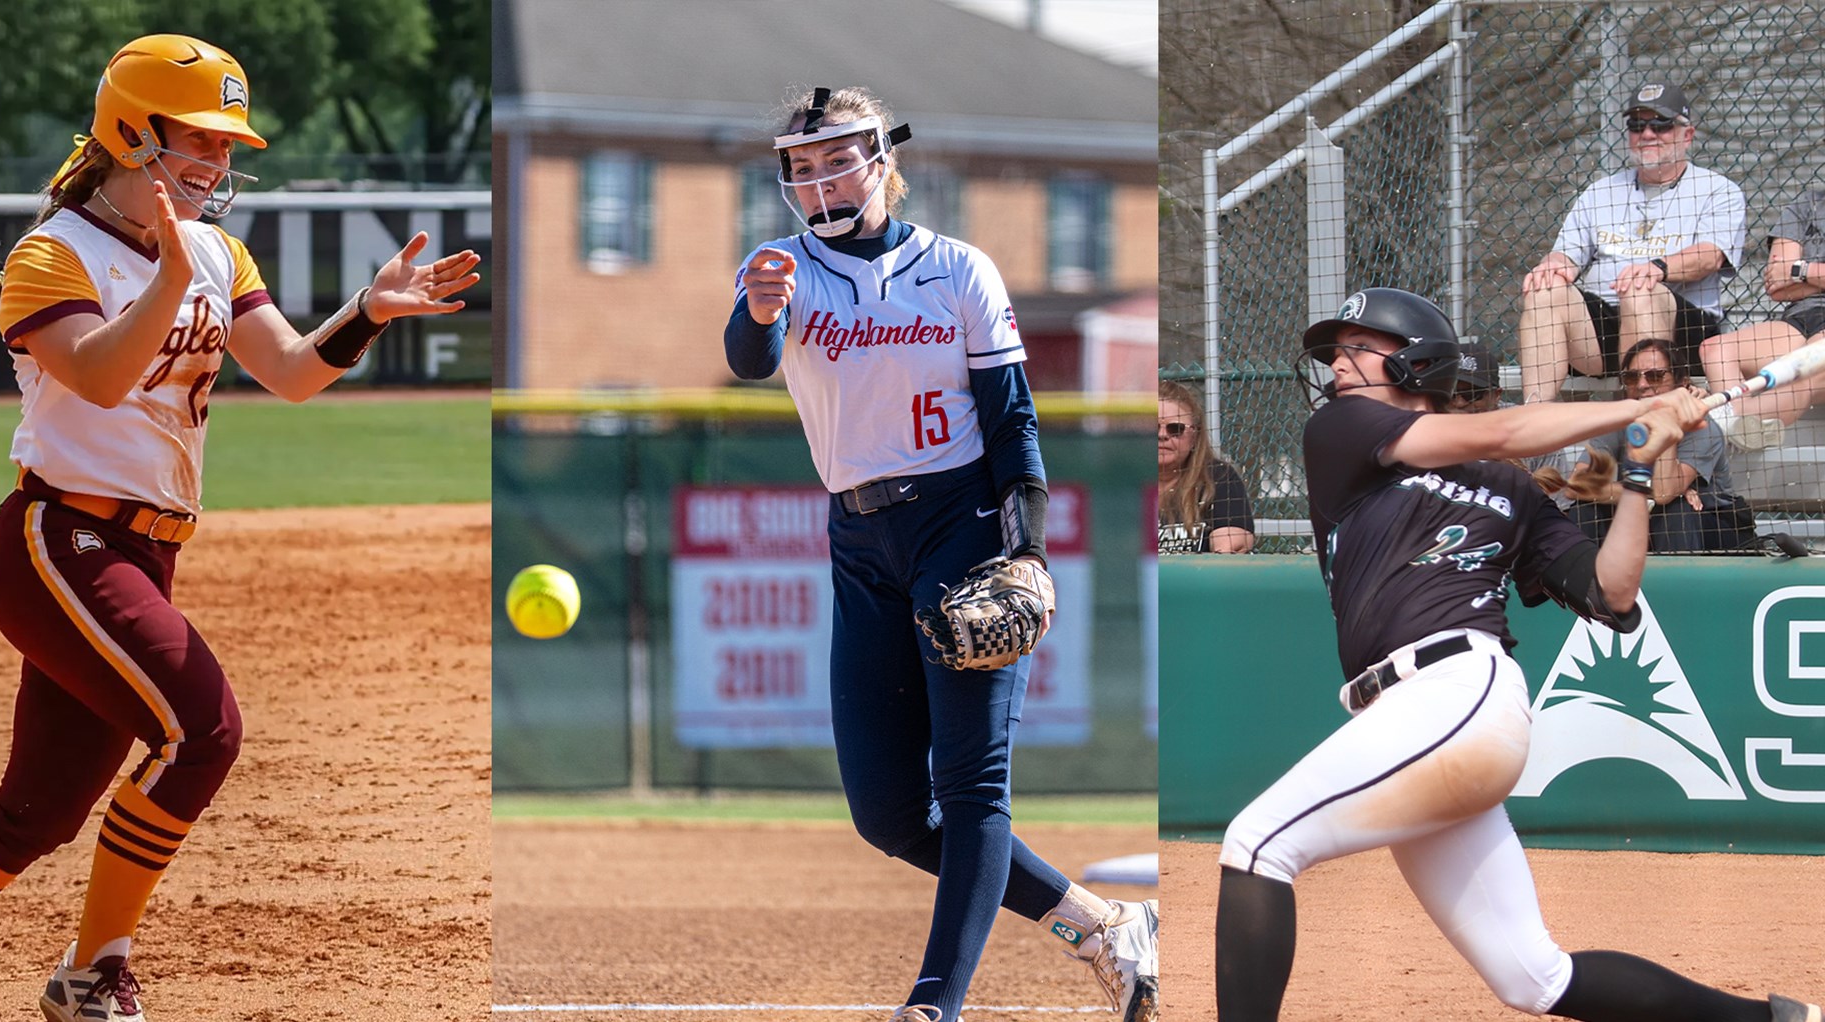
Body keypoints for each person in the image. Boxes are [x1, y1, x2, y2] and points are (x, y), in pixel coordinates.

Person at [0, 34, 479, 1022]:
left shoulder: (216, 251)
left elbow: (294, 373)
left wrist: (369, 310)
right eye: (197, 140)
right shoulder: (52, 253)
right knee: (202, 729)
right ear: (131, 133)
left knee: (36, 810)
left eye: (226, 146)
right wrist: (172, 276)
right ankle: (92, 971)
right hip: (59, 543)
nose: (215, 164)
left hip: (145, 550)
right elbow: (94, 373)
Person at [1214, 286, 1819, 1022]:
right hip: (1413, 717)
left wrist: (1636, 474)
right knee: (1535, 979)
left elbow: (1613, 593)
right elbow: (1507, 433)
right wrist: (1641, 409)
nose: (1337, 364)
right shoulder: (1342, 434)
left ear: (1416, 363)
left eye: (1358, 348)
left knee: (1257, 844)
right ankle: (1775, 1021)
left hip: (1458, 691)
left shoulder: (1515, 491)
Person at [724, 86, 1157, 1022]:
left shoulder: (958, 270)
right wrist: (758, 312)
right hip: (859, 542)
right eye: (801, 164)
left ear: (882, 158)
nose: (818, 177)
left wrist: (1030, 550)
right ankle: (1102, 924)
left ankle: (934, 1005)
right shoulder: (779, 271)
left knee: (971, 787)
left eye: (838, 156)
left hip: (960, 527)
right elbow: (749, 359)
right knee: (886, 814)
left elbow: (1012, 428)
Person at [1517, 79, 1745, 405]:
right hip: (1604, 331)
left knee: (1640, 290)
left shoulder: (1717, 190)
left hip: (1679, 335)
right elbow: (1566, 255)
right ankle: (1533, 424)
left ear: (1688, 135)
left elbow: (1710, 256)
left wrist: (1657, 268)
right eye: (1637, 126)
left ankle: (1644, 421)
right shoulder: (1601, 191)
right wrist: (1552, 266)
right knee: (1545, 289)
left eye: (1661, 125)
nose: (1647, 134)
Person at [1558, 338, 1755, 552]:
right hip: (1641, 521)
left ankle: (1676, 585)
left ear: (1682, 383)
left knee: (1676, 509)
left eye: (1655, 375)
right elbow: (1576, 485)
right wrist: (1645, 492)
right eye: (1632, 377)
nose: (1642, 385)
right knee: (1585, 511)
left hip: (1712, 528)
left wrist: (1667, 417)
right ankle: (1584, 583)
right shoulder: (1620, 422)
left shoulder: (1702, 427)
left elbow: (1665, 493)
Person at [1697, 189, 1825, 450]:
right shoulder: (1807, 203)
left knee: (1802, 372)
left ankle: (1720, 429)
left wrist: (1802, 270)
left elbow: (1789, 274)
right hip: (1801, 316)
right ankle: (1742, 430)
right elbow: (1778, 285)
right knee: (1716, 349)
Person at [1157, 380, 1255, 553]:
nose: (1162, 435)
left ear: (1195, 435)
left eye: (1175, 429)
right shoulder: (1119, 483)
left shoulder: (1218, 477)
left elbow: (1231, 547)